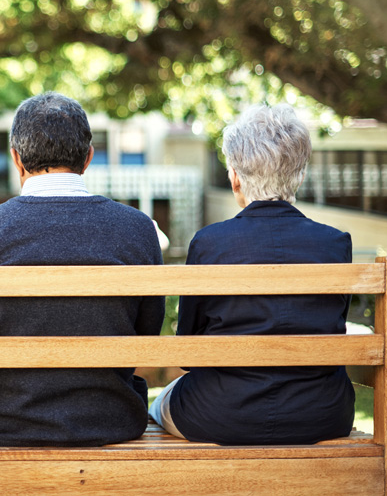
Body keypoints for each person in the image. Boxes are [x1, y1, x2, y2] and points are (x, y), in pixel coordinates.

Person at [0, 92, 165, 447]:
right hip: (109, 417)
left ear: (16, 158)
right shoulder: (136, 229)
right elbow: (146, 334)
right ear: (89, 157)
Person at [149, 104, 355, 445]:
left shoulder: (210, 244)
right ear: (299, 175)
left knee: (159, 404)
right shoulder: (334, 244)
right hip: (321, 413)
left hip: (220, 412)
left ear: (235, 178)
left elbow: (189, 351)